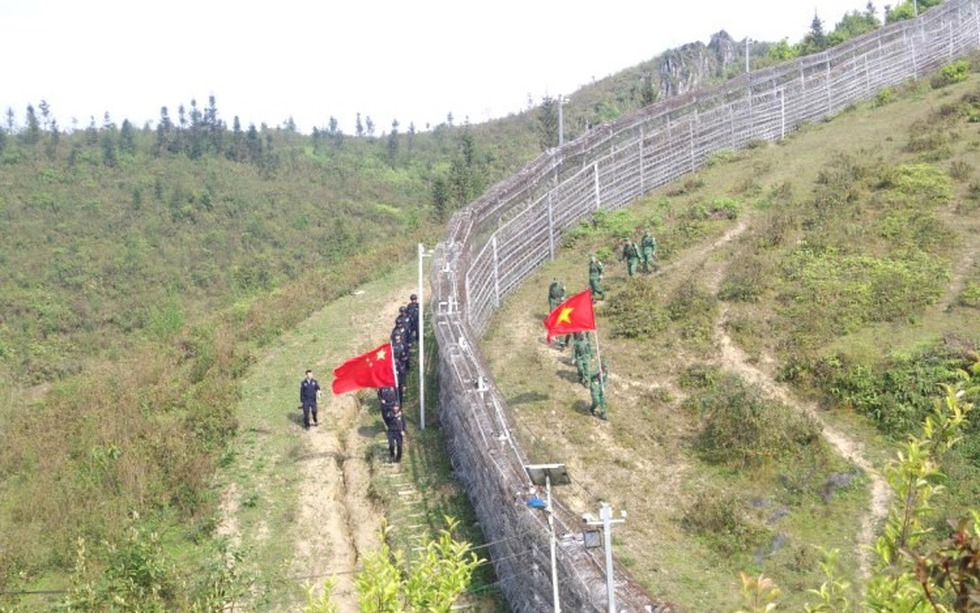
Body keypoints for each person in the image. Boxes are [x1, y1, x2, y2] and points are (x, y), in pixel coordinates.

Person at [547, 279, 569, 348]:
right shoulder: (551, 288)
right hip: (554, 301)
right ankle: (560, 340)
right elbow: (551, 297)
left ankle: (565, 342)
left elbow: (563, 295)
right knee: (556, 319)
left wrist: (562, 298)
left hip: (559, 302)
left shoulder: (561, 288)